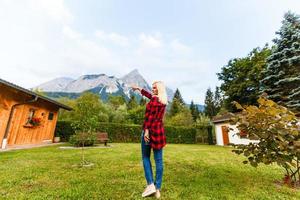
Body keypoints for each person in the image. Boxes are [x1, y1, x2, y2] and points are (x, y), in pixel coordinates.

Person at [131, 81, 168, 199]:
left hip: (149, 132)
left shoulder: (153, 102)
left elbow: (149, 117)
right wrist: (139, 89)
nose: (152, 90)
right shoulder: (162, 101)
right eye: (152, 88)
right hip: (159, 132)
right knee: (159, 161)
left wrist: (146, 130)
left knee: (145, 157)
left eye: (154, 88)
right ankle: (157, 189)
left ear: (159, 89)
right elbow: (150, 95)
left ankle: (150, 184)